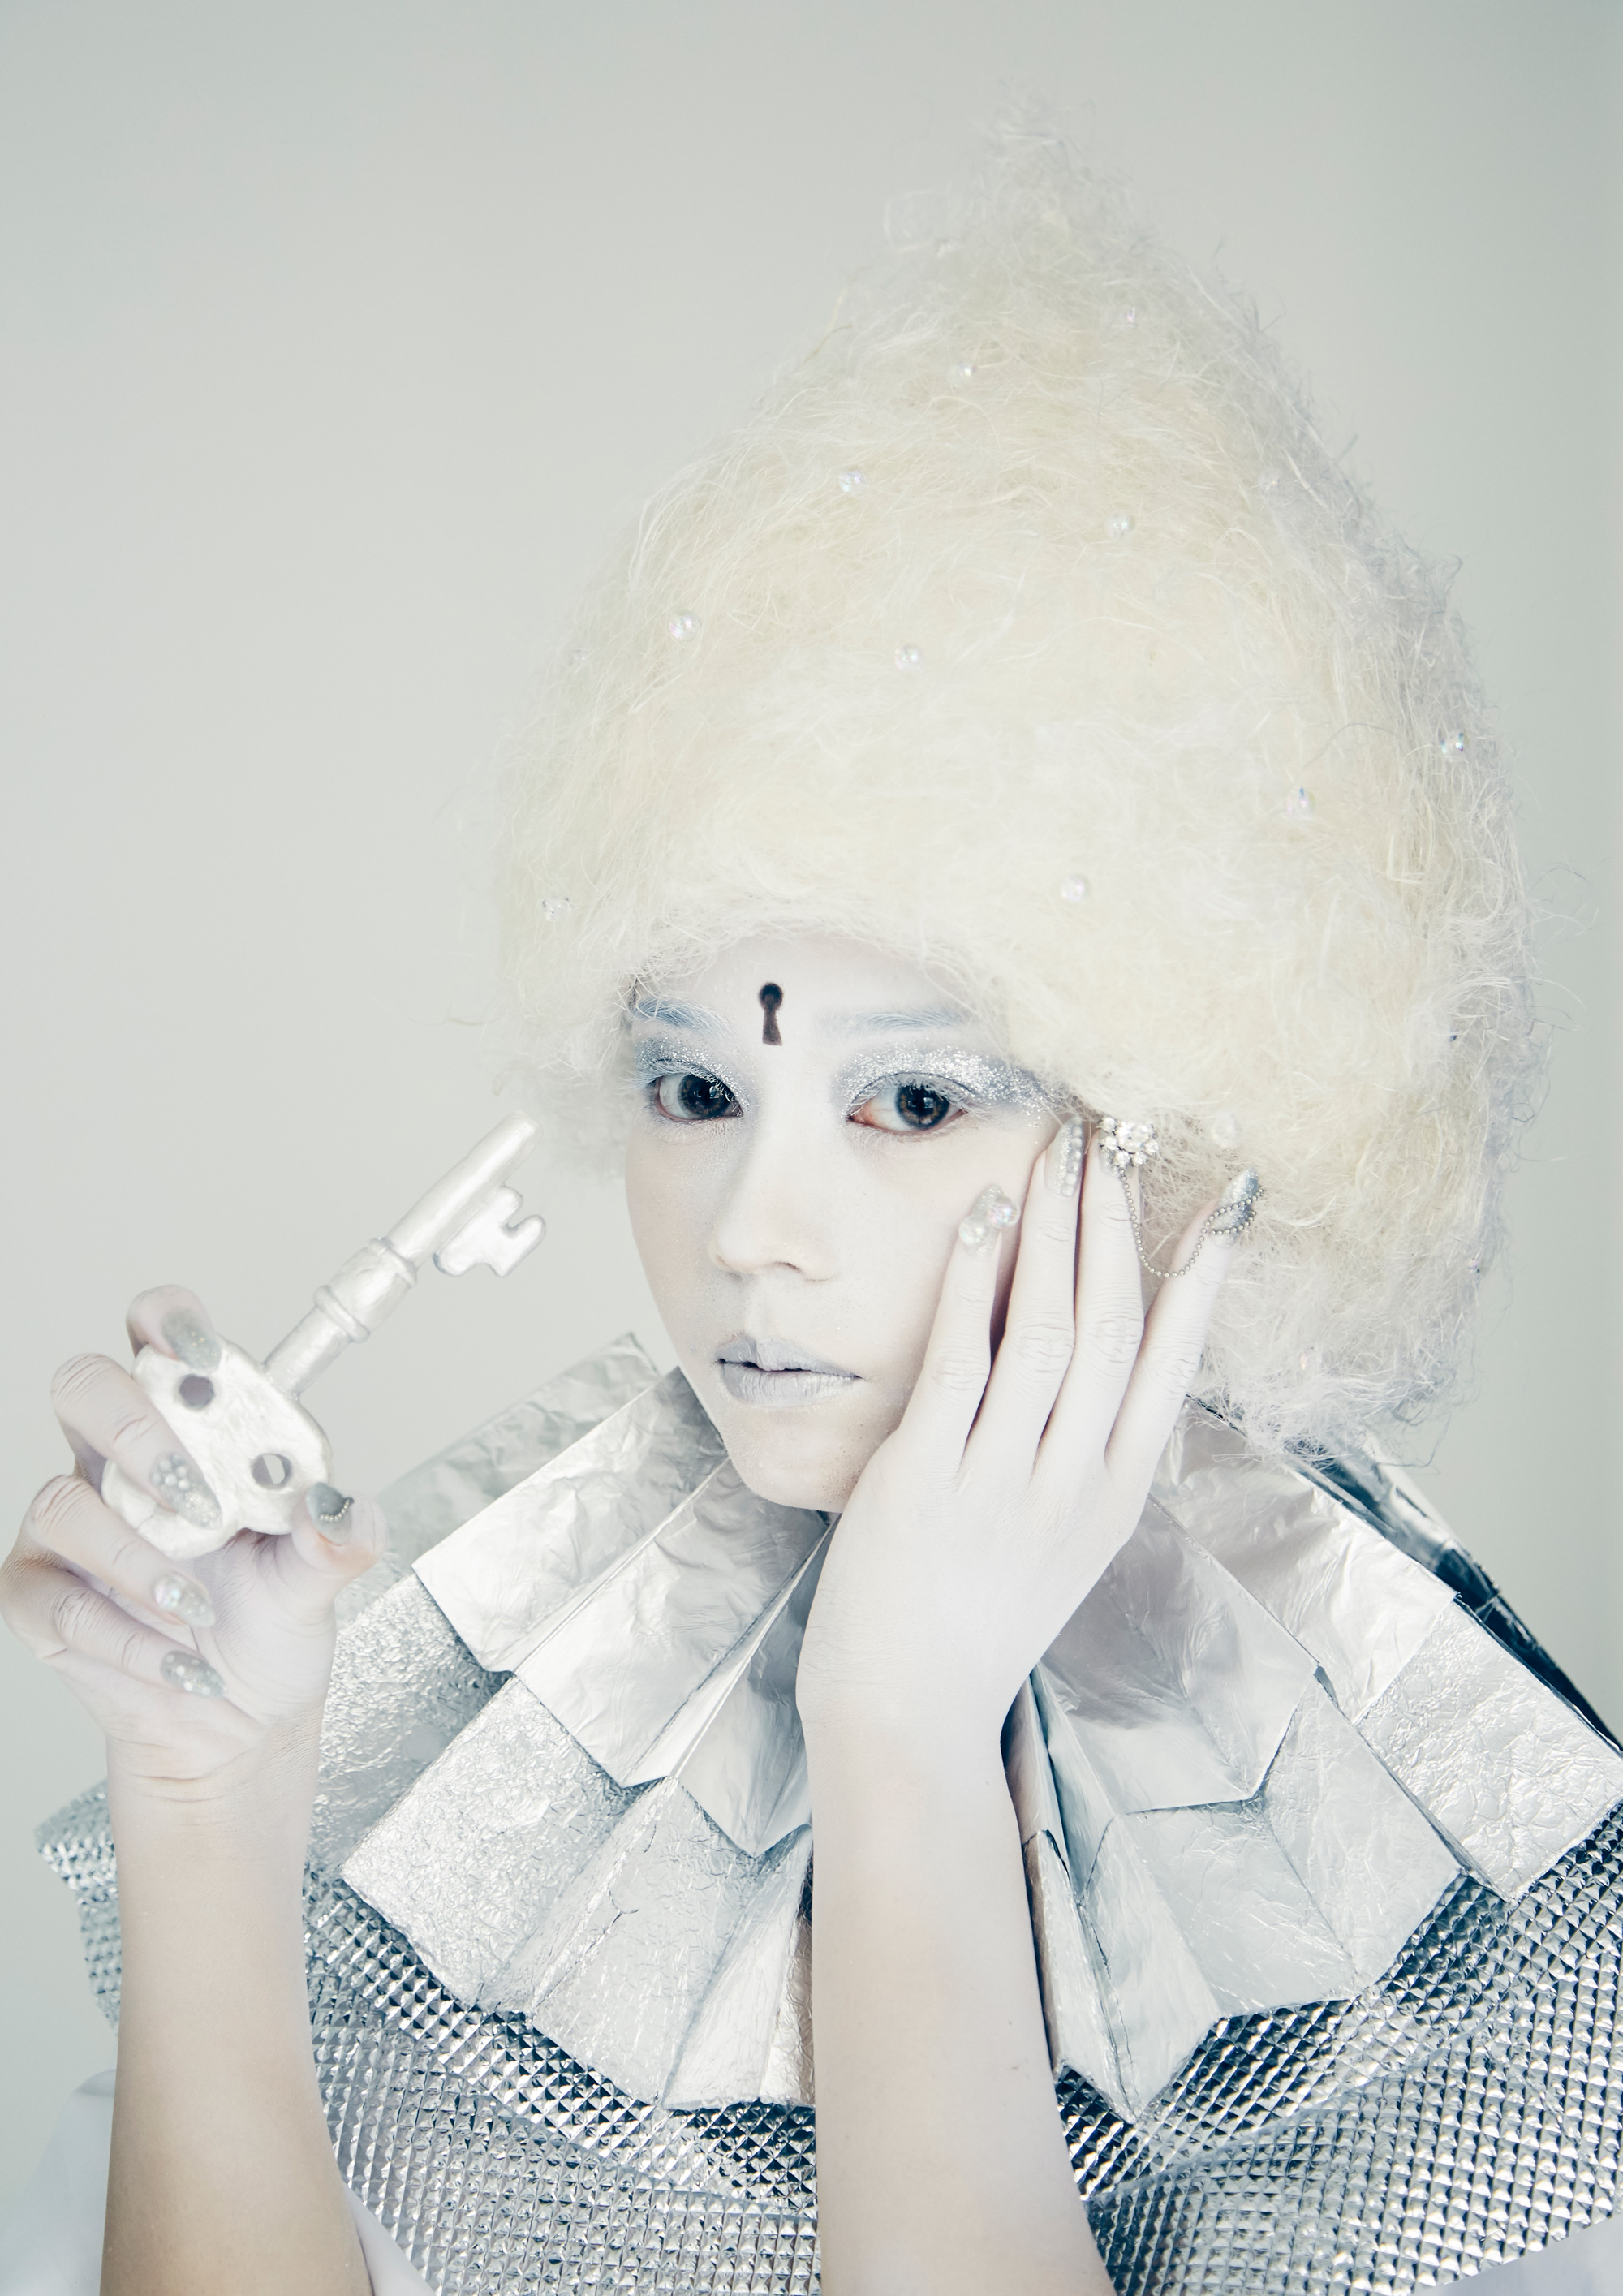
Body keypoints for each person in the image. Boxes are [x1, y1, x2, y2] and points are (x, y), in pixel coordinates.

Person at [4, 126, 1621, 2296]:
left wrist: (906, 1732)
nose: (750, 1227)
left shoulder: (1452, 1852)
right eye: (693, 1087)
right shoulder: (488, 1707)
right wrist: (208, 1802)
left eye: (916, 1098)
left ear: (1206, 1127)